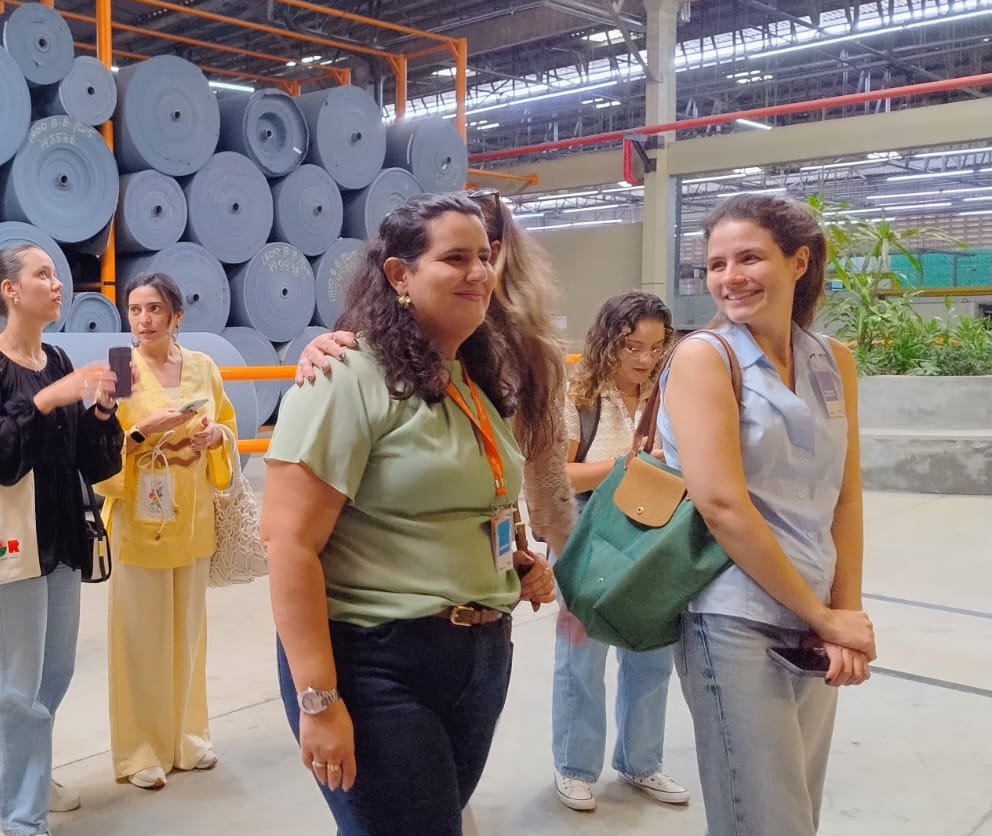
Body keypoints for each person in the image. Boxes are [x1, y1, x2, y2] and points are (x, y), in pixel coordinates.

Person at [263, 193, 558, 836]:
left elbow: (460, 507)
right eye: (455, 258)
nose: (479, 273)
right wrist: (319, 700)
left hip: (478, 656)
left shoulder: (468, 378)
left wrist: (513, 565)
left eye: (484, 257)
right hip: (377, 661)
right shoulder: (347, 375)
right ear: (399, 275)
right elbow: (288, 543)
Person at [659, 194, 874, 836]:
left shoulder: (833, 361)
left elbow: (845, 496)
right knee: (763, 820)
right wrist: (823, 617)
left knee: (795, 813)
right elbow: (722, 506)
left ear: (798, 262)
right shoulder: (704, 358)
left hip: (814, 616)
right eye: (715, 265)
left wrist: (843, 616)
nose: (730, 277)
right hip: (734, 618)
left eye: (749, 258)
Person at [0, 242, 124, 836]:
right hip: (9, 545)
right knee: (14, 684)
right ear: (9, 290)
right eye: (43, 274)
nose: (58, 284)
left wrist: (100, 414)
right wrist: (49, 400)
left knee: (53, 673)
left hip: (61, 537)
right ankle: (20, 815)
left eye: (56, 275)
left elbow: (88, 463)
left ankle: (27, 771)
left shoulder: (56, 358)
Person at [94, 272, 237, 791]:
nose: (143, 320)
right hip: (140, 516)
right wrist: (139, 434)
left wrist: (215, 437)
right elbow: (99, 442)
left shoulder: (203, 366)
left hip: (192, 515)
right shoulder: (120, 369)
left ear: (176, 315)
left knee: (189, 633)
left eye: (154, 309)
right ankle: (140, 750)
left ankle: (188, 737)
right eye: (135, 310)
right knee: (139, 639)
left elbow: (227, 424)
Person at [551, 292, 688, 811]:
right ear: (608, 341)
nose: (645, 358)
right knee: (582, 655)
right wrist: (626, 465)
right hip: (591, 530)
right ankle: (574, 767)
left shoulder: (670, 395)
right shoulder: (578, 395)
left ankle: (640, 761)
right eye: (633, 346)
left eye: (656, 347)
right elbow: (560, 476)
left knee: (651, 652)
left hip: (656, 534)